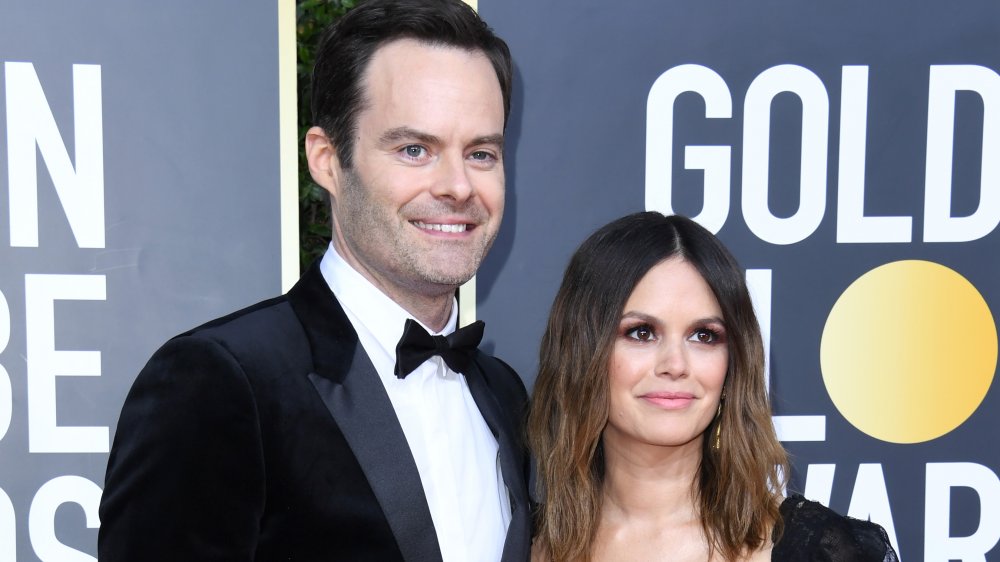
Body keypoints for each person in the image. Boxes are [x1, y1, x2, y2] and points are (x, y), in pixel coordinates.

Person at [98, 1, 530, 560]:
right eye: (415, 150)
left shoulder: (504, 395)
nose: (458, 186)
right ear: (327, 159)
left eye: (481, 153)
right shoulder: (222, 383)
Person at [527, 212, 897, 562]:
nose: (675, 365)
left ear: (732, 364)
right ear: (582, 352)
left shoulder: (822, 551)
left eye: (704, 335)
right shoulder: (519, 544)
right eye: (641, 333)